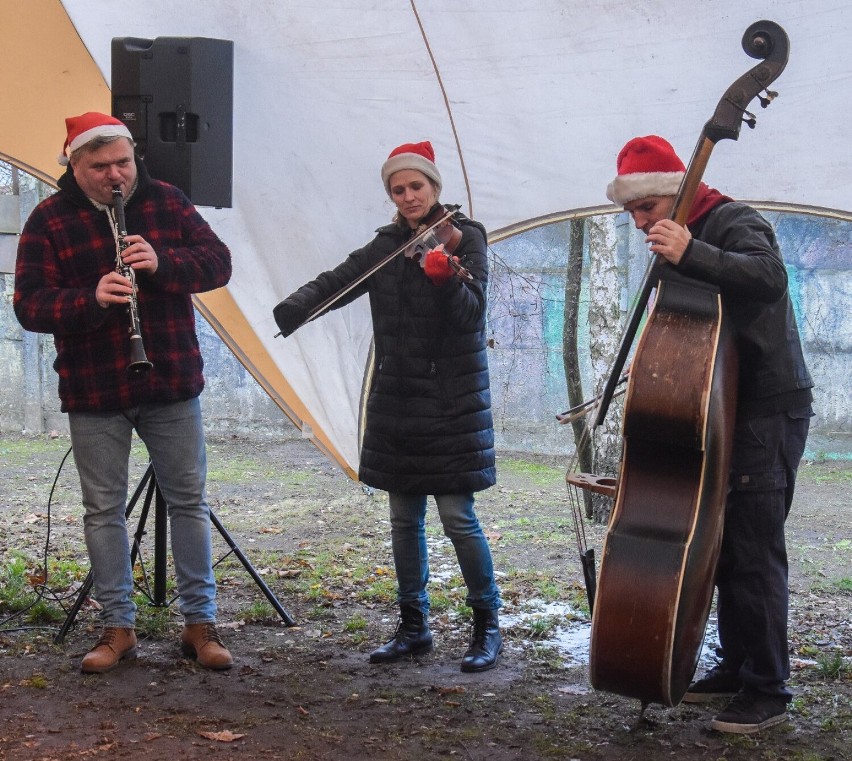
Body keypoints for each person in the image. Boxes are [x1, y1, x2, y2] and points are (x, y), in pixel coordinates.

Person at [605, 135, 813, 733]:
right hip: (719, 408)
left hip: (765, 408)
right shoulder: (682, 238)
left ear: (678, 191)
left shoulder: (732, 221)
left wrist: (692, 251)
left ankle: (768, 688)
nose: (641, 222)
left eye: (646, 208)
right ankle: (737, 665)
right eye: (633, 214)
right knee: (718, 547)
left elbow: (769, 277)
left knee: (752, 552)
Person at [14, 112, 234, 673]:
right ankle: (118, 628)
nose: (115, 176)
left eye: (123, 163)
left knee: (188, 501)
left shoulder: (167, 201)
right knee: (102, 511)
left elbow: (217, 264)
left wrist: (162, 264)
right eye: (100, 167)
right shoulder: (49, 219)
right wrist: (89, 298)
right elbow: (30, 304)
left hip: (170, 376)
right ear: (74, 166)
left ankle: (199, 624)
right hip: (94, 386)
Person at [273, 141, 503, 672]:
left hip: (451, 399)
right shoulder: (386, 245)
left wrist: (445, 277)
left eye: (416, 186)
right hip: (398, 397)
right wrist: (295, 309)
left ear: (434, 188)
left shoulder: (465, 237)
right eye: (397, 190)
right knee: (404, 518)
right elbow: (338, 280)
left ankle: (487, 625)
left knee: (457, 517)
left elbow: (472, 316)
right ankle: (413, 627)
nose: (407, 196)